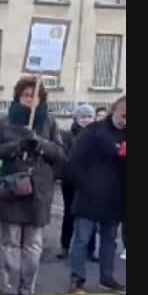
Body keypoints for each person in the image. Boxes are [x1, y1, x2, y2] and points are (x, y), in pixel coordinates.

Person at [0, 77, 65, 295]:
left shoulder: (49, 123)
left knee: (33, 245)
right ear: (18, 97)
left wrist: (40, 143)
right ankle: (11, 287)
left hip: (39, 190)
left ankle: (26, 289)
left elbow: (60, 154)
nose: (31, 100)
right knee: (10, 242)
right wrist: (16, 147)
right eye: (26, 95)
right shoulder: (4, 122)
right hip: (13, 188)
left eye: (35, 95)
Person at [66, 94, 126, 295]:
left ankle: (107, 278)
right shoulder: (94, 131)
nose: (124, 121)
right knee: (82, 239)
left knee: (110, 240)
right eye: (123, 115)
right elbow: (74, 161)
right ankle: (77, 279)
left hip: (115, 197)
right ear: (114, 110)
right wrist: (85, 185)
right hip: (90, 195)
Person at [56, 105, 97, 261]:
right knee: (69, 213)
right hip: (71, 181)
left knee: (92, 215)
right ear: (76, 119)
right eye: (83, 117)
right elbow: (65, 157)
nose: (86, 120)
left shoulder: (97, 134)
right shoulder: (67, 136)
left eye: (89, 116)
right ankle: (65, 246)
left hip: (92, 182)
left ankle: (90, 250)